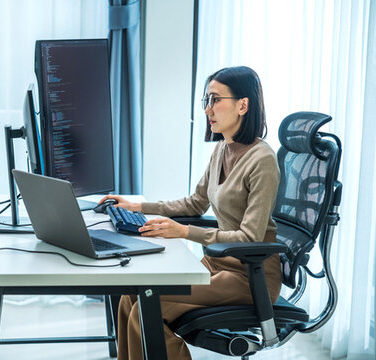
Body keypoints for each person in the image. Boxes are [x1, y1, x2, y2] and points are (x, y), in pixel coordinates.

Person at [100, 66, 282, 360]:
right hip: (215, 265)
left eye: (215, 100)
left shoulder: (263, 161)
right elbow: (195, 203)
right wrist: (138, 207)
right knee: (129, 298)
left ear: (243, 105)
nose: (208, 109)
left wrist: (184, 232)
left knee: (144, 313)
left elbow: (249, 237)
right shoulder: (223, 148)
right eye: (205, 101)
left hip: (249, 276)